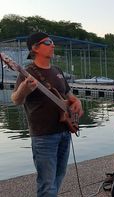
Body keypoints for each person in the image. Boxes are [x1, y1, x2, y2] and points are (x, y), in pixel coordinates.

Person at [11, 32, 84, 196]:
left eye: (52, 42)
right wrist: (23, 89)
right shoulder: (27, 73)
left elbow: (69, 96)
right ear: (35, 48)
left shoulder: (57, 71)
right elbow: (16, 99)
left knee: (59, 177)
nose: (53, 45)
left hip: (65, 130)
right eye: (48, 42)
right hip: (43, 135)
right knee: (47, 182)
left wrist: (77, 103)